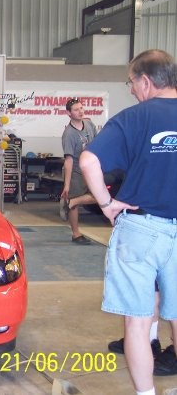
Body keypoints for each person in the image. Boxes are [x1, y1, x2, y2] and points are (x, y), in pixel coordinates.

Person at [80, 49, 177, 394]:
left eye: (132, 82)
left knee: (137, 323)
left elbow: (88, 161)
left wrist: (106, 204)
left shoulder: (134, 118)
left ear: (146, 81)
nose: (132, 90)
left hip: (141, 229)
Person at [59, 98, 98, 244]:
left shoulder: (89, 125)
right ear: (69, 113)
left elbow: (97, 145)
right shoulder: (69, 134)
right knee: (74, 204)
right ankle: (76, 234)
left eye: (81, 108)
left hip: (90, 168)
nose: (80, 111)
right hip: (76, 171)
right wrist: (67, 185)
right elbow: (68, 160)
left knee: (99, 196)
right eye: (76, 110)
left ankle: (72, 201)